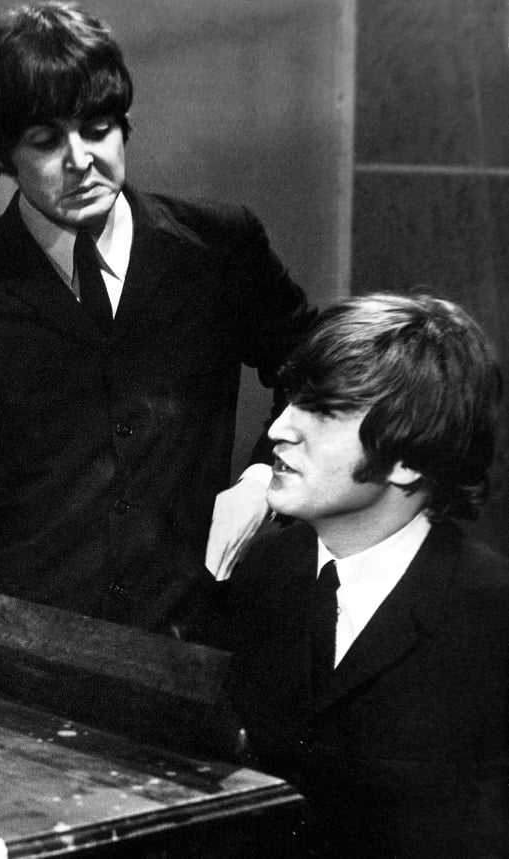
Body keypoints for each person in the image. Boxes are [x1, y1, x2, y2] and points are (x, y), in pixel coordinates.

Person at [0, 2, 314, 627]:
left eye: (97, 130)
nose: (81, 160)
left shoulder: (219, 246)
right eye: (46, 141)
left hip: (193, 630)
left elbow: (314, 367)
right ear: (1, 155)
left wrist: (264, 479)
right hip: (21, 643)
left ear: (124, 127)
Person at [199, 294, 508, 856]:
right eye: (293, 400)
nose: (279, 429)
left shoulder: (490, 617)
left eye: (322, 411)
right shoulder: (262, 572)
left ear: (409, 460)